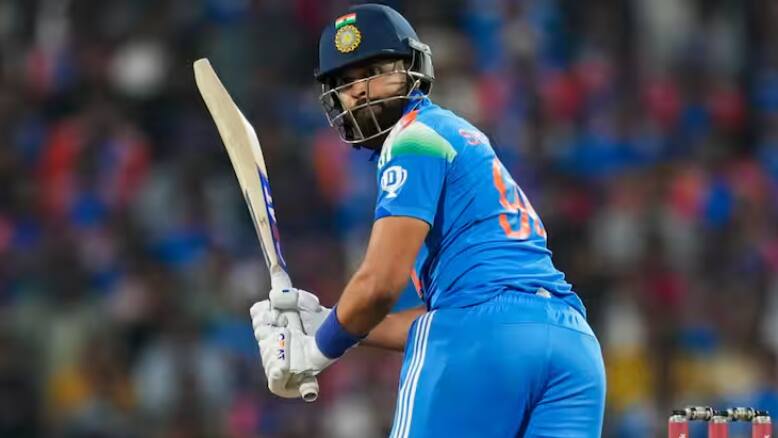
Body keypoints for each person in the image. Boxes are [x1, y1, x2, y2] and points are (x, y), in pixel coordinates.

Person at [251, 4, 606, 437]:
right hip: (573, 345)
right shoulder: (458, 135)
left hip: (480, 339)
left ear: (411, 69)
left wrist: (317, 351)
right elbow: (454, 313)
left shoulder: (412, 138)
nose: (359, 91)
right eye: (345, 83)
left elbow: (381, 285)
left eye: (373, 71)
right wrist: (334, 321)